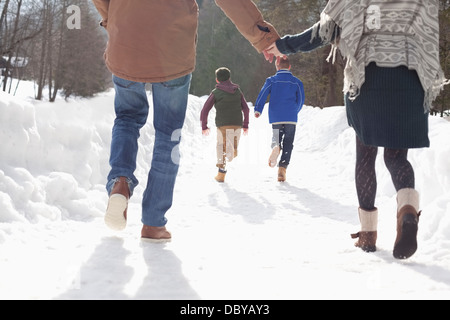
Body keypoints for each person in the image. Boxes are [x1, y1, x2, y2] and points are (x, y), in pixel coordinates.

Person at [263, 0, 449, 259]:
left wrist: (284, 45)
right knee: (396, 157)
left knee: (366, 155)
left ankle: (368, 235)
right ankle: (407, 210)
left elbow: (323, 31)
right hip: (410, 81)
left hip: (367, 80)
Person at [92, 0, 280, 242]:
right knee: (168, 134)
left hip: (125, 42)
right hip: (172, 49)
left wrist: (113, 21)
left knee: (127, 118)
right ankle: (153, 223)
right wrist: (263, 37)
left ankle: (120, 181)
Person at [254, 57, 304, 182]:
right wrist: (294, 110)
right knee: (288, 142)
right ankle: (282, 169)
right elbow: (301, 100)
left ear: (277, 66)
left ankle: (276, 146)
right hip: (291, 117)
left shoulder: (272, 80)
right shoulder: (297, 82)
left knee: (276, 136)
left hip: (276, 116)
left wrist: (258, 109)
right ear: (289, 67)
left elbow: (263, 93)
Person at [200, 67, 250, 183]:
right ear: (229, 78)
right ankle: (231, 152)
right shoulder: (237, 91)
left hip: (222, 124)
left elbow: (205, 110)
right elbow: (246, 109)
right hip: (237, 124)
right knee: (232, 149)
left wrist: (204, 126)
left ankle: (221, 173)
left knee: (220, 147)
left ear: (217, 80)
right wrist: (245, 125)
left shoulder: (216, 92)